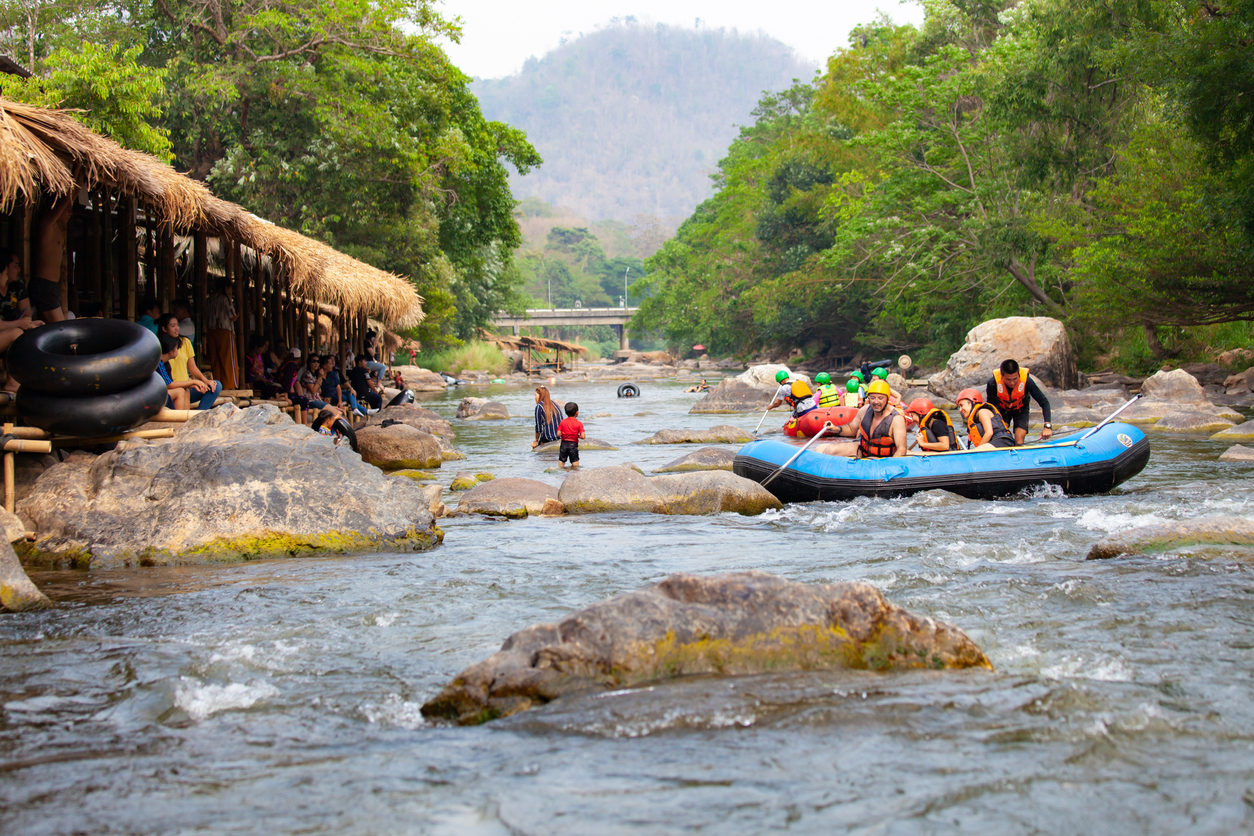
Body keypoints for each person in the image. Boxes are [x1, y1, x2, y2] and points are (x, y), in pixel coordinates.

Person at [815, 379, 907, 458]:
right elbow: (851, 429)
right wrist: (834, 428)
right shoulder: (864, 410)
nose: (876, 402)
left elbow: (902, 449)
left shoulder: (896, 418)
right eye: (872, 398)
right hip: (863, 452)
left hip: (883, 460)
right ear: (869, 398)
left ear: (887, 399)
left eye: (880, 398)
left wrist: (886, 469)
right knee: (823, 449)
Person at [156, 313, 221, 410]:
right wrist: (192, 382)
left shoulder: (185, 342)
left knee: (216, 385)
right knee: (182, 391)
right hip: (172, 388)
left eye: (178, 325)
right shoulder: (158, 348)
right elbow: (169, 384)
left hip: (186, 386)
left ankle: (198, 414)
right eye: (172, 326)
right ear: (164, 329)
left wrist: (204, 381)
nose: (177, 328)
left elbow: (193, 367)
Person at [986, 359, 1053, 445]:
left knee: (1019, 440)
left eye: (1015, 379)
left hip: (1021, 409)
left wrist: (1047, 426)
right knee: (1000, 436)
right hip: (1002, 409)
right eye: (1008, 379)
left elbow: (1044, 403)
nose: (1012, 382)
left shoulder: (1027, 381)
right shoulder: (993, 383)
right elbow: (990, 407)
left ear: (1019, 375)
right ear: (1002, 376)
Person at [31, 196, 72, 323]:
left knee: (50, 328)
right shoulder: (47, 226)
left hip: (51, 286)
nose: (70, 213)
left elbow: (71, 197)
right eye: (67, 209)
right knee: (60, 328)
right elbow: (66, 199)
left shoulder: (58, 228)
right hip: (44, 286)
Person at [205, 278, 238, 389]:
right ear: (226, 287)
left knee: (215, 359)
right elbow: (232, 317)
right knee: (227, 359)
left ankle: (217, 384)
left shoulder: (210, 299)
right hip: (224, 330)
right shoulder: (225, 299)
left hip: (211, 330)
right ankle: (229, 385)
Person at [557, 401, 585, 470]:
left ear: (566, 413)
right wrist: (577, 435)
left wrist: (565, 433)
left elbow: (558, 434)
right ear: (577, 413)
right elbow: (583, 436)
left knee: (561, 462)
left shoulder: (563, 421)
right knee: (575, 463)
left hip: (564, 445)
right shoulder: (579, 423)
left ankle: (560, 474)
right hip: (573, 445)